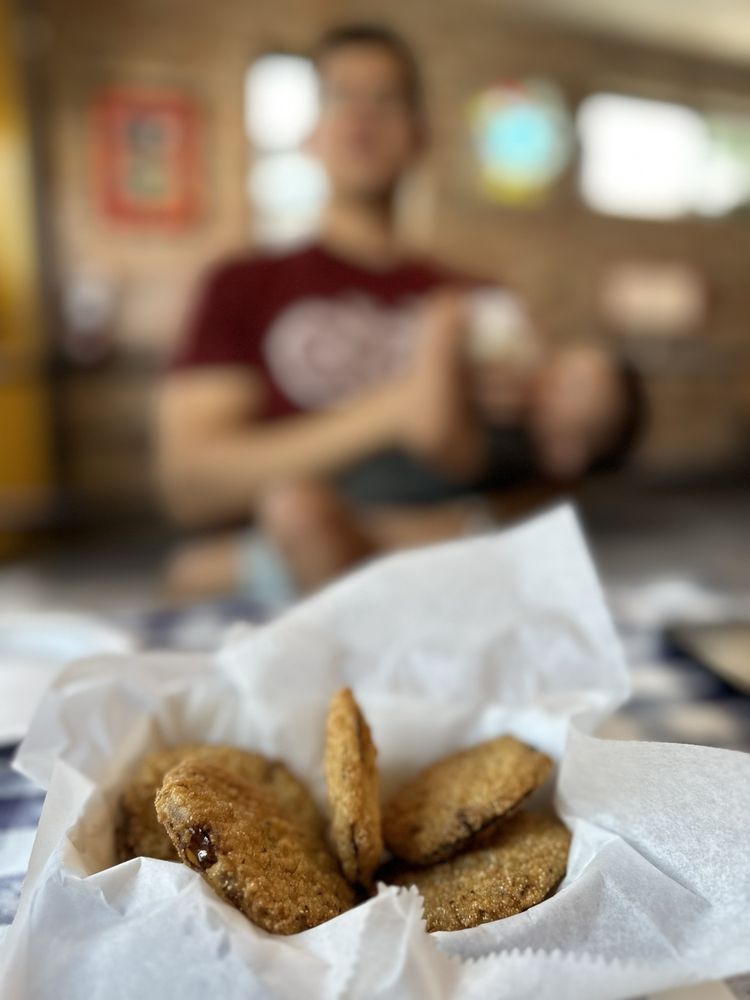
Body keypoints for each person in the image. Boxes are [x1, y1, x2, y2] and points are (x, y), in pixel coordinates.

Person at [156, 23, 644, 605]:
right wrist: (397, 410)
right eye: (341, 97)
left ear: (421, 135)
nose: (363, 117)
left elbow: (557, 473)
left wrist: (379, 538)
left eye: (386, 99)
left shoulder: (478, 299)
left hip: (433, 598)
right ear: (310, 133)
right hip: (282, 598)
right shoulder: (241, 284)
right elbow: (190, 485)